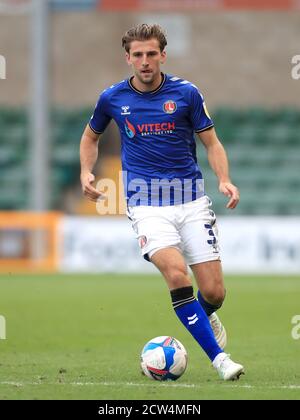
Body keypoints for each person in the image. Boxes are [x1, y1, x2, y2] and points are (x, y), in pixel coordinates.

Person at [80, 23, 244, 381]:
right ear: (128, 58)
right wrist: (85, 172)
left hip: (191, 201)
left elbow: (212, 142)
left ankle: (204, 314)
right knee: (175, 273)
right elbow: (90, 138)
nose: (145, 61)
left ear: (162, 55)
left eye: (151, 54)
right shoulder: (112, 98)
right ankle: (220, 360)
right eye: (137, 55)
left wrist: (225, 179)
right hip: (146, 205)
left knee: (214, 292)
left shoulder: (186, 94)